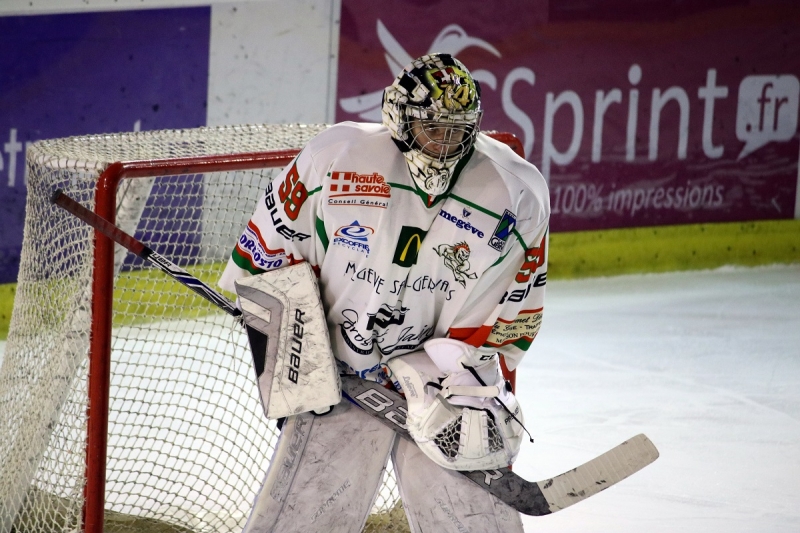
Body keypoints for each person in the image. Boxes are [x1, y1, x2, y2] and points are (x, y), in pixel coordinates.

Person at [219, 53, 550, 533]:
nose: (443, 145)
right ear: (399, 118)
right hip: (340, 377)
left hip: (442, 387)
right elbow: (264, 261)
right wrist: (297, 364)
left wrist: (477, 380)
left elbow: (518, 305)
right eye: (430, 128)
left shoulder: (516, 192)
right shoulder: (335, 158)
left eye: (457, 131)